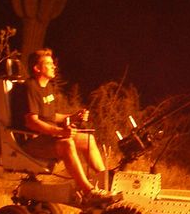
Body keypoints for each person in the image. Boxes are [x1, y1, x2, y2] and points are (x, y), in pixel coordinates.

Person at [12, 48, 114, 205]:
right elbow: (32, 122)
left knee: (88, 139)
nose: (54, 66)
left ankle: (106, 182)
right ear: (37, 68)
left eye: (52, 63)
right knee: (67, 143)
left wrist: (73, 116)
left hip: (48, 138)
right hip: (32, 142)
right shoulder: (30, 87)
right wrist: (60, 132)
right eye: (49, 64)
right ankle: (88, 191)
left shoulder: (47, 87)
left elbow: (51, 117)